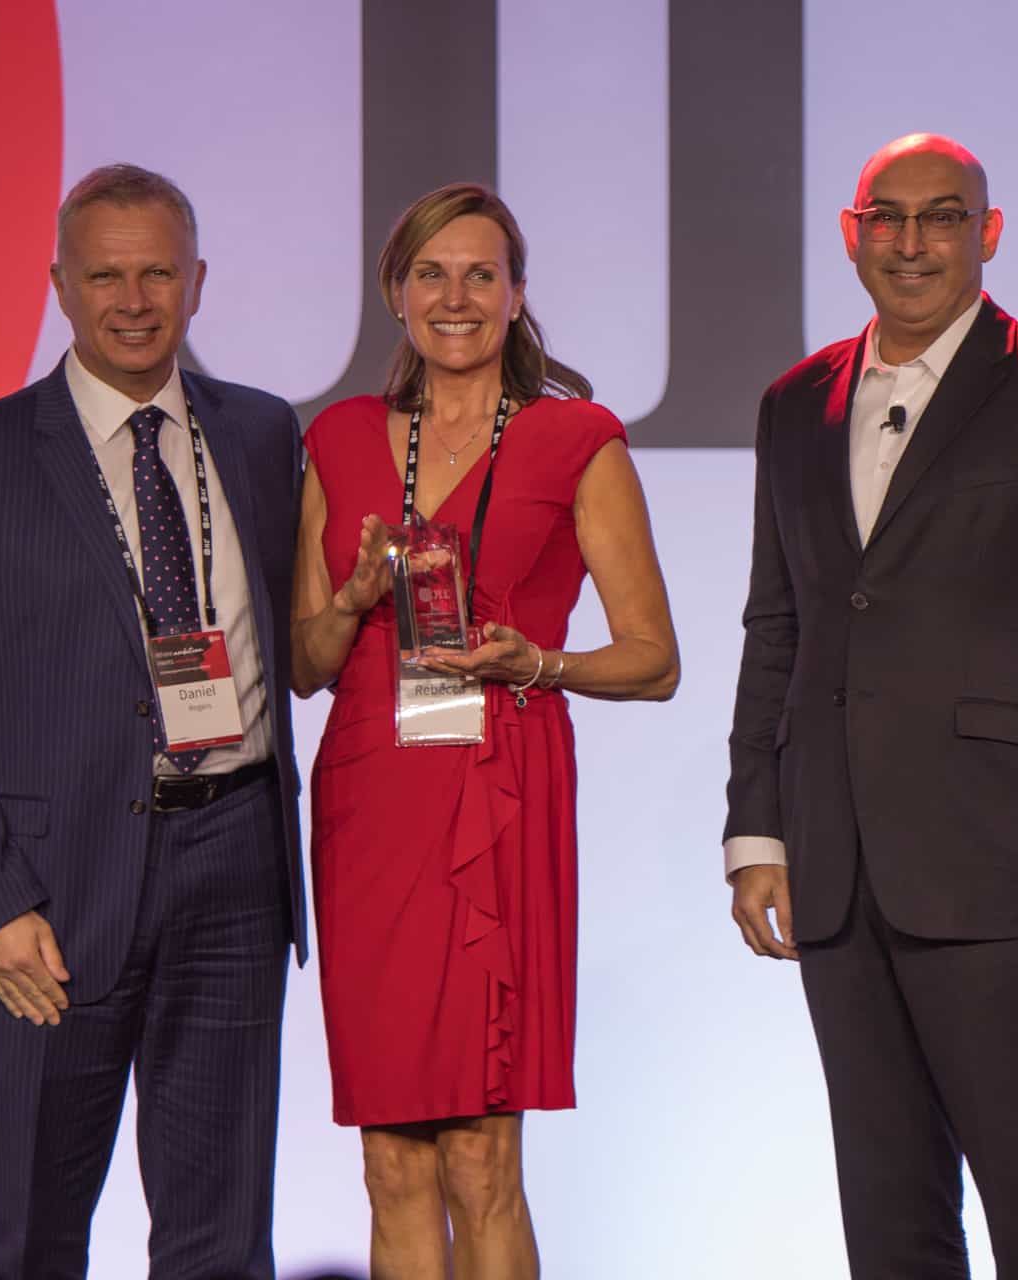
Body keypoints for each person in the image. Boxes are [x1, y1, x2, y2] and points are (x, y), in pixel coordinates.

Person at [722, 134, 1018, 1278]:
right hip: (835, 858)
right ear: (852, 231)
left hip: (1005, 858)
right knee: (887, 1205)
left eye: (943, 217)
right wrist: (755, 824)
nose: (912, 242)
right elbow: (780, 623)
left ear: (989, 231)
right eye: (889, 217)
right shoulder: (793, 404)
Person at [0, 163, 305, 1279]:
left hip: (234, 868)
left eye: (157, 270)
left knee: (223, 1242)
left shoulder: (263, 435)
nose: (133, 298)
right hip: (50, 901)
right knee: (32, 1236)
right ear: (60, 286)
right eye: (106, 274)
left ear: (198, 281)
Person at [291, 182, 680, 1278]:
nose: (454, 296)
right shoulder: (338, 437)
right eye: (430, 274)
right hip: (371, 803)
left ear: (515, 296)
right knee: (391, 1163)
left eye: (480, 274)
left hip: (498, 794)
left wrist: (540, 663)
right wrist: (356, 593)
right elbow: (311, 665)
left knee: (480, 1154)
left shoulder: (575, 439)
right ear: (394, 295)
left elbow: (654, 657)